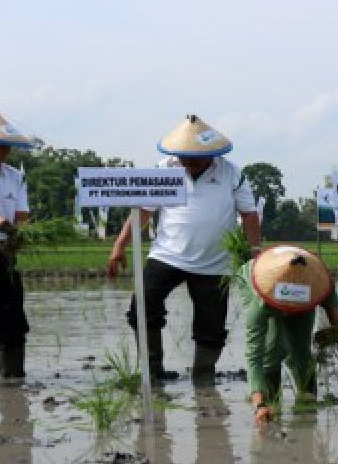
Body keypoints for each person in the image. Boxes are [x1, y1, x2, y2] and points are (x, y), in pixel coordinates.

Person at [107, 115, 261, 384]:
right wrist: (119, 245)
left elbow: (249, 215)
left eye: (195, 161)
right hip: (167, 254)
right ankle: (153, 371)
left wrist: (255, 253)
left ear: (212, 155)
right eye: (184, 160)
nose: (188, 166)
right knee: (142, 306)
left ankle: (203, 377)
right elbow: (143, 212)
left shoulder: (232, 174)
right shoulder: (164, 169)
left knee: (211, 325)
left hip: (215, 262)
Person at [243, 246, 338, 426]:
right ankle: (270, 403)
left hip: (302, 301)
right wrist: (259, 404)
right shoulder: (260, 301)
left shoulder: (317, 278)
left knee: (300, 350)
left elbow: (331, 302)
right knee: (271, 349)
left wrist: (335, 330)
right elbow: (253, 355)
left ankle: (308, 401)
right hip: (264, 288)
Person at [0, 111, 33, 382]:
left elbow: (21, 216)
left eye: (5, 146)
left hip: (3, 252)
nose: (2, 152)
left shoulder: (15, 177)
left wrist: (20, 232)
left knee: (11, 318)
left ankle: (13, 379)